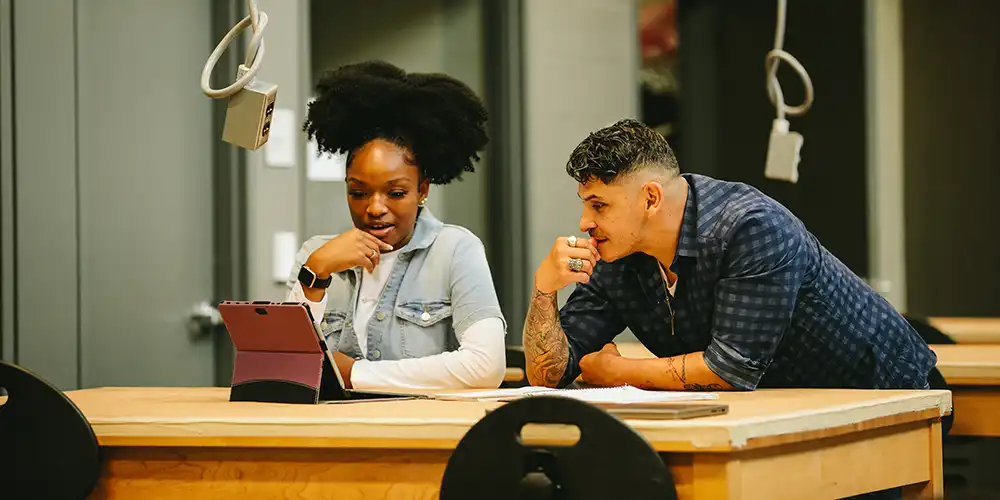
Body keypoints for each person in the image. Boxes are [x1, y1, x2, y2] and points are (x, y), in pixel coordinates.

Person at [523, 118, 937, 393]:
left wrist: (619, 372)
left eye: (599, 206)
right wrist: (544, 291)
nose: (585, 222)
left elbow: (731, 369)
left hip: (890, 394)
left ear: (650, 198)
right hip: (781, 405)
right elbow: (549, 376)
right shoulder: (620, 253)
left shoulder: (750, 226)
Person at [286, 60, 506, 390]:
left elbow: (486, 366)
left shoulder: (455, 251)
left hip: (419, 421)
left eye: (396, 193)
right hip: (326, 423)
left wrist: (355, 374)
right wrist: (316, 272)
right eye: (358, 192)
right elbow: (285, 365)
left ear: (423, 190)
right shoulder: (316, 254)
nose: (375, 208)